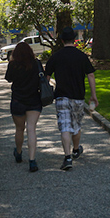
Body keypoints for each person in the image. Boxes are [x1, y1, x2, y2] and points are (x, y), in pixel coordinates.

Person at [44, 26, 98, 171]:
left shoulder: (56, 57)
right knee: (76, 125)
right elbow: (90, 75)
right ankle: (75, 149)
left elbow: (46, 76)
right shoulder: (81, 56)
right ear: (74, 39)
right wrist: (93, 95)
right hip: (78, 96)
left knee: (65, 126)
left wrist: (45, 92)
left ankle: (67, 157)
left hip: (62, 96)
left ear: (61, 40)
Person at [5, 41, 43, 172]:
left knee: (19, 129)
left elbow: (8, 79)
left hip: (17, 100)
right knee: (31, 129)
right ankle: (32, 160)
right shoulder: (36, 64)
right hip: (34, 100)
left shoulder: (13, 65)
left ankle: (19, 153)